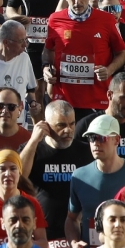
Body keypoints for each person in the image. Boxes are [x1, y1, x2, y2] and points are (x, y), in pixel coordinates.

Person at [45, 0, 125, 121]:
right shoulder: (54, 19)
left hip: (96, 99)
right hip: (64, 99)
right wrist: (46, 68)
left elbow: (121, 53)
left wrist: (109, 70)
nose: (77, 2)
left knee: (96, 143)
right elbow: (48, 50)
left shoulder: (106, 20)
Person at [20, 100, 83, 240]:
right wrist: (33, 141)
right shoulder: (32, 150)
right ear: (46, 125)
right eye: (61, 125)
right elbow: (19, 177)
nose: (68, 130)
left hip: (77, 231)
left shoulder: (85, 150)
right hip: (41, 231)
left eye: (72, 124)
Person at [67, 114, 125, 246]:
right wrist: (74, 242)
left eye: (101, 138)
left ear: (116, 140)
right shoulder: (79, 176)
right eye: (91, 138)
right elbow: (71, 219)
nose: (95, 143)